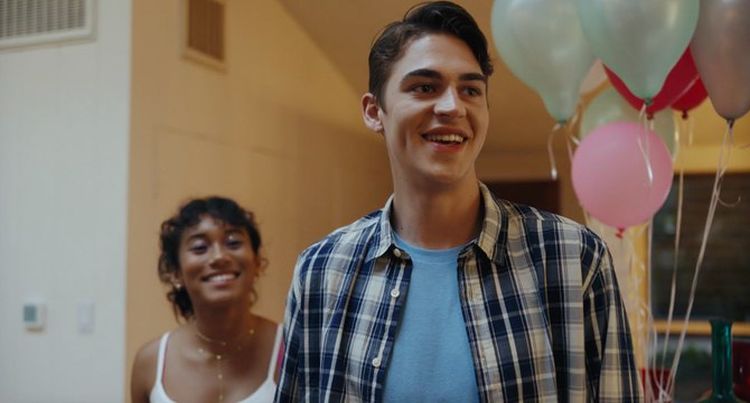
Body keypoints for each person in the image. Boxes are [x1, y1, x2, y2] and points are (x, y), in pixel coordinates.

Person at [275, 1, 641, 402]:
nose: (452, 107)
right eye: (424, 87)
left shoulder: (572, 257)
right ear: (374, 111)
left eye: (470, 90)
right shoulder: (321, 271)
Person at [131, 197, 282, 403]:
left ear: (257, 262)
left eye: (233, 243)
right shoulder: (150, 363)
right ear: (175, 272)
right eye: (200, 247)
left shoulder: (293, 350)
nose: (219, 257)